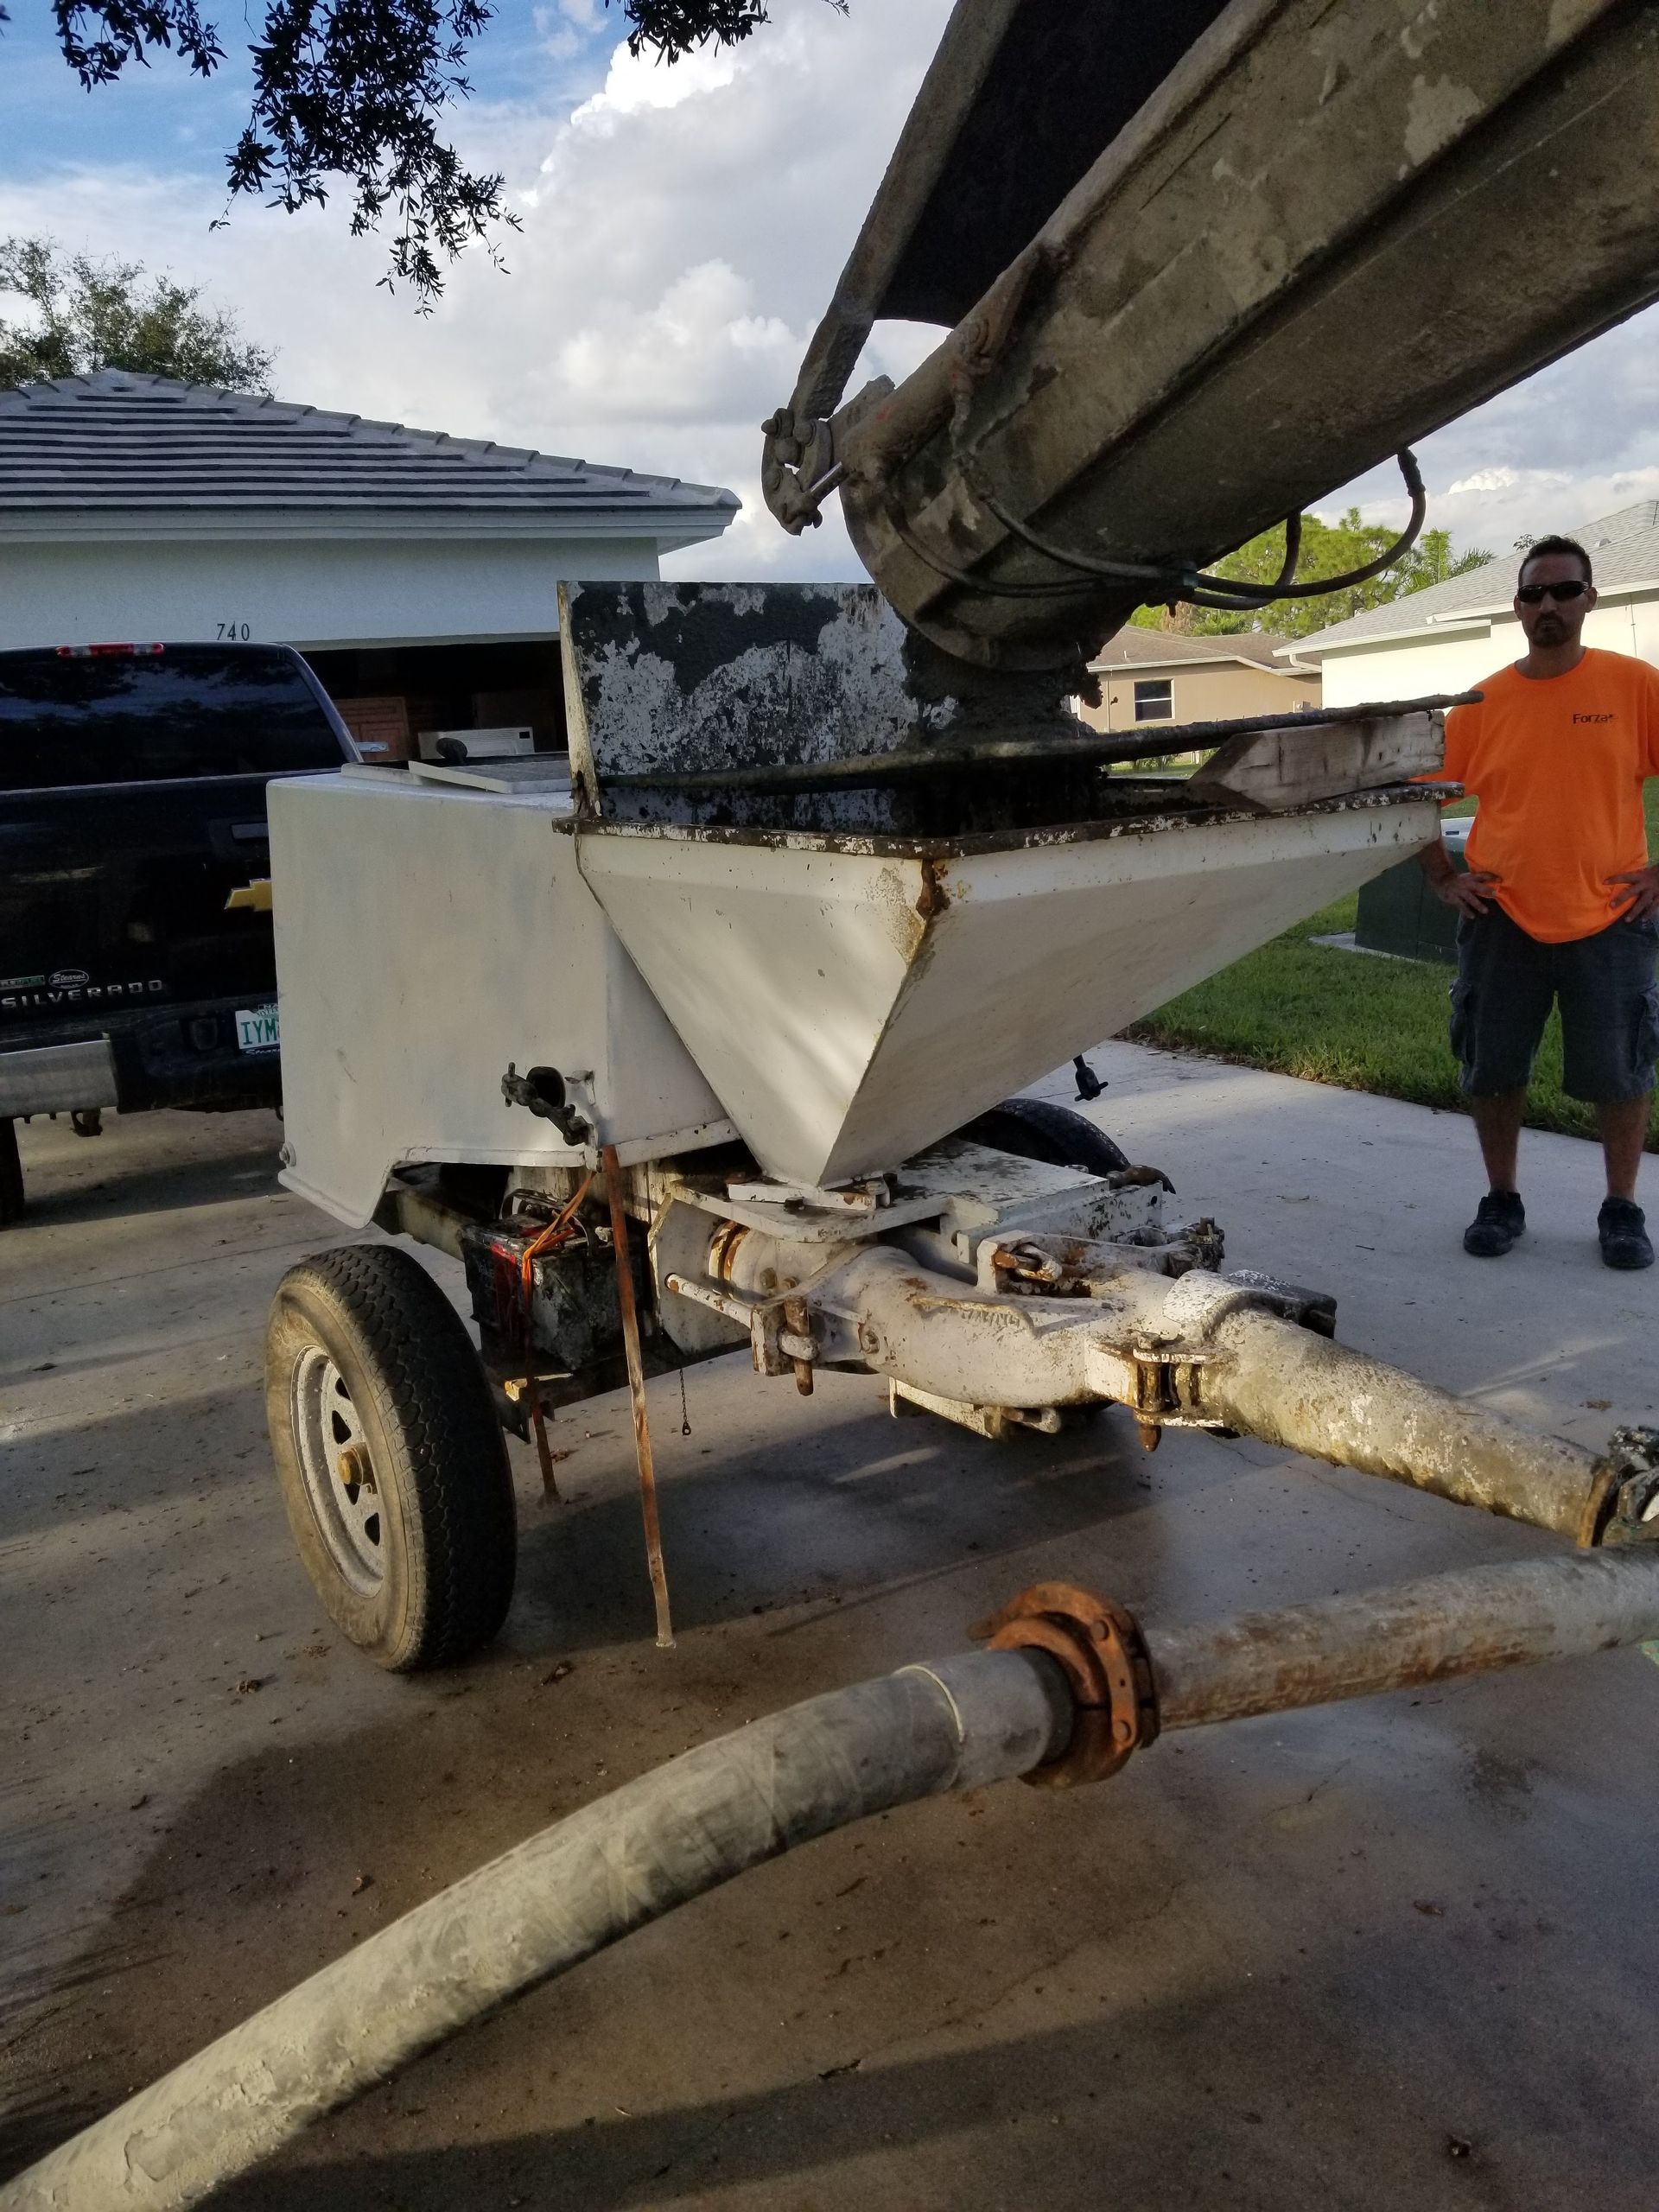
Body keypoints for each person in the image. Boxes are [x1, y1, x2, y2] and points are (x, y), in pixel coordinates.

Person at [1420, 534, 1659, 1268]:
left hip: (1612, 917)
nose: (1547, 605)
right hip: (1503, 919)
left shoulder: (1634, 685)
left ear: (1590, 598)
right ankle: (1502, 1200)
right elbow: (1417, 799)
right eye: (1533, 594)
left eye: (1563, 590)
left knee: (1621, 1073)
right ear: (1518, 607)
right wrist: (1441, 877)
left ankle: (1622, 1209)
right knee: (1492, 1068)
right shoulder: (1483, 702)